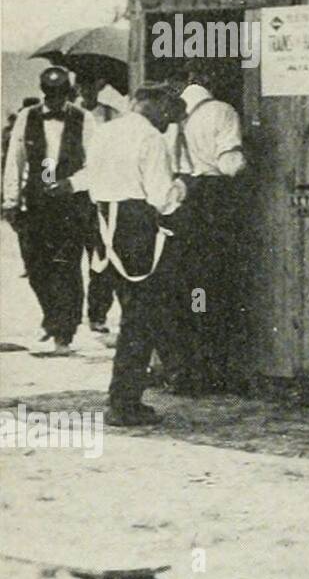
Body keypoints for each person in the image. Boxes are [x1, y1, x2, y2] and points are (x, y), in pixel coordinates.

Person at [58, 84, 188, 424]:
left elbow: (90, 177)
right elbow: (162, 197)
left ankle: (159, 378)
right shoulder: (151, 139)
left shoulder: (105, 132)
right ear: (155, 108)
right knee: (141, 317)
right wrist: (183, 188)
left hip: (103, 224)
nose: (168, 121)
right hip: (136, 227)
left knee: (136, 311)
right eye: (168, 114)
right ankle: (125, 401)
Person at [165, 64, 248, 395]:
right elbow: (230, 166)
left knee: (186, 289)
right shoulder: (222, 112)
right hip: (212, 206)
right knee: (212, 287)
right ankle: (211, 370)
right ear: (211, 79)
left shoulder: (169, 114)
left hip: (180, 204)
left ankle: (184, 371)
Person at [2, 67, 95, 355]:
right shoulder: (27, 117)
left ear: (69, 94)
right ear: (44, 93)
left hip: (71, 203)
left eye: (60, 95)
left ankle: (64, 331)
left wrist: (72, 183)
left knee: (66, 266)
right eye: (50, 95)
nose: (55, 101)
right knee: (36, 267)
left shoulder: (84, 119)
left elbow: (95, 162)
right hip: (36, 203)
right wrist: (10, 201)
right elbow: (14, 162)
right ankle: (51, 317)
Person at [74, 75, 121, 334]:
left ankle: (97, 313)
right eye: (82, 85)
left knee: (101, 256)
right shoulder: (71, 115)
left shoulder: (112, 115)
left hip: (102, 193)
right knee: (68, 258)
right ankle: (66, 314)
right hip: (75, 195)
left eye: (91, 84)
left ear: (100, 86)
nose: (87, 89)